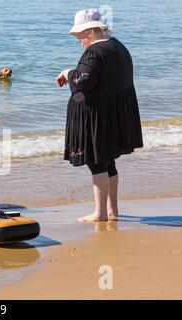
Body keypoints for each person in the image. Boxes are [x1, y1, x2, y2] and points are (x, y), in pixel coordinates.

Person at [56, 9, 143, 222]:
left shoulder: (95, 52)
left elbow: (83, 83)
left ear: (91, 32)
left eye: (81, 37)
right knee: (108, 161)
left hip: (96, 116)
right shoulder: (118, 46)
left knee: (97, 163)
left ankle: (100, 213)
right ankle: (112, 210)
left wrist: (68, 73)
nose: (80, 42)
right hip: (113, 114)